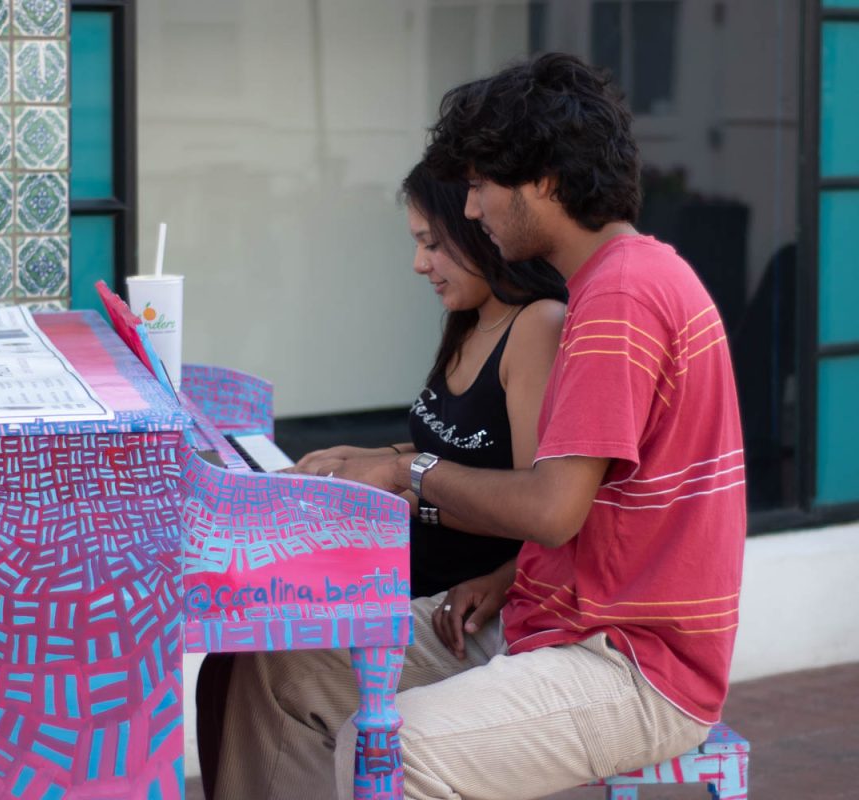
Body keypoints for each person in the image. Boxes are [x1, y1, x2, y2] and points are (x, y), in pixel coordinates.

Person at [215, 52, 746, 800]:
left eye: (481, 184)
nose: (470, 210)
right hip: (550, 619)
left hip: (630, 666)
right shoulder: (617, 283)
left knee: (392, 756)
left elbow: (553, 510)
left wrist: (408, 472)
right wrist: (505, 577)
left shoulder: (618, 300)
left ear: (547, 181)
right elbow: (584, 509)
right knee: (275, 667)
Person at [195, 161, 567, 798]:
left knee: (269, 661)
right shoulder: (471, 323)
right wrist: (366, 452)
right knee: (227, 660)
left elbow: (535, 498)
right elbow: (461, 444)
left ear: (476, 227)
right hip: (403, 572)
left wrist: (502, 581)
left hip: (459, 605)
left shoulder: (536, 325)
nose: (420, 265)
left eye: (431, 243)